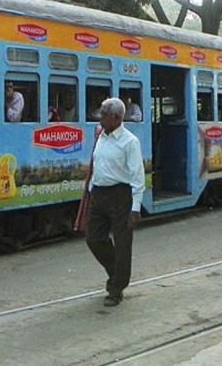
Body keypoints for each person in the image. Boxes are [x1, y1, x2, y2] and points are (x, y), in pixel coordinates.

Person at [85, 98, 145, 307]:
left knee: (122, 244)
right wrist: (91, 190)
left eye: (103, 114)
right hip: (99, 194)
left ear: (116, 118)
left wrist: (135, 208)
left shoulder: (130, 142)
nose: (99, 117)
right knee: (93, 238)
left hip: (121, 195)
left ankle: (116, 288)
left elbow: (137, 177)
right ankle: (116, 272)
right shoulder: (101, 135)